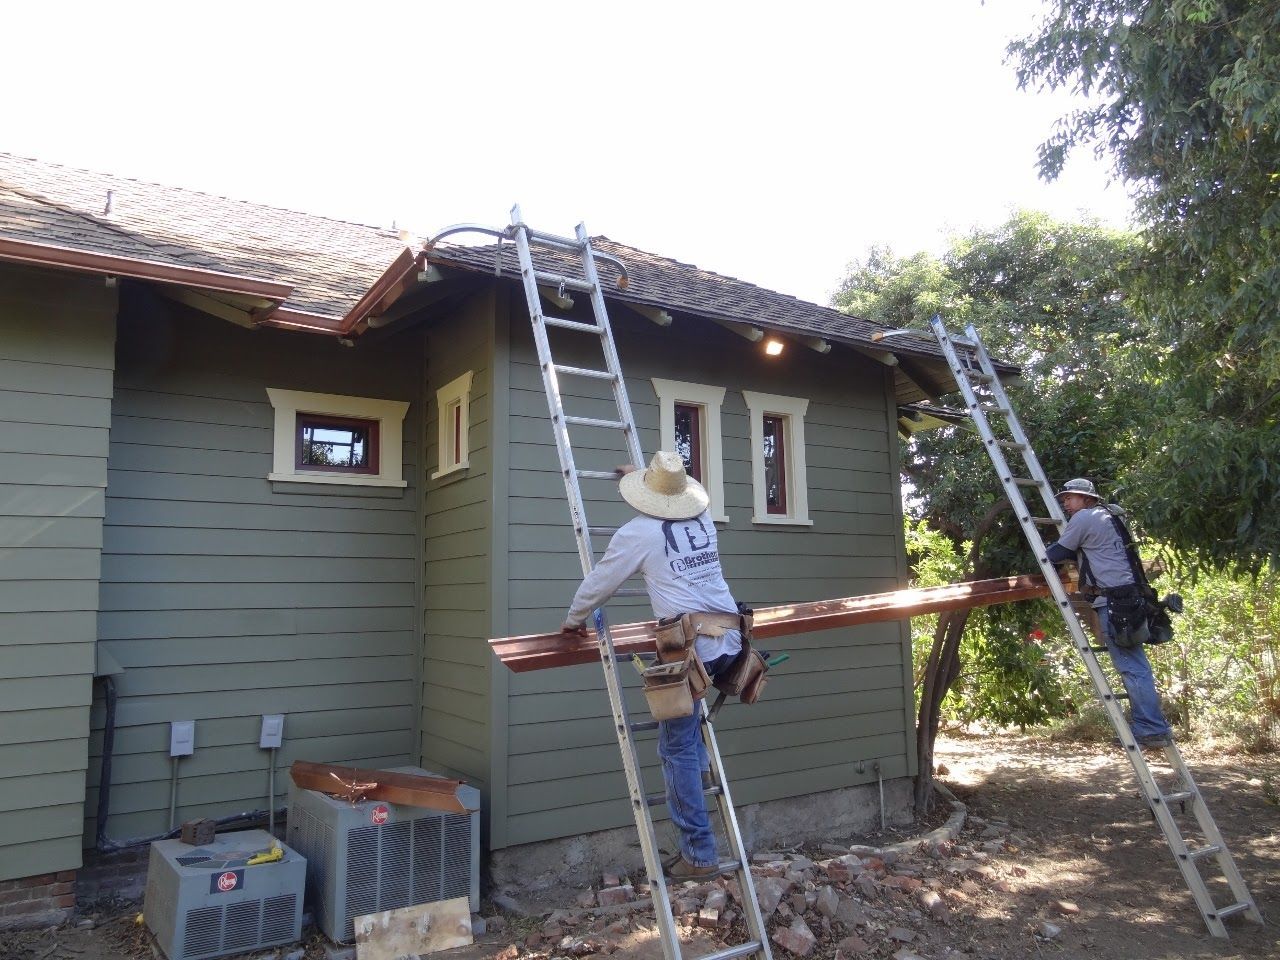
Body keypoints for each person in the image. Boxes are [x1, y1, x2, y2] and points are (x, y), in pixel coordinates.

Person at [561, 451, 742, 879]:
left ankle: (698, 854)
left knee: (675, 748)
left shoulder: (637, 534)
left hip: (691, 650)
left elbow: (600, 583)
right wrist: (641, 476)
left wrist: (572, 622)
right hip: (731, 639)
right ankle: (700, 836)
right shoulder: (702, 520)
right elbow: (676, 496)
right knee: (691, 734)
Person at [1045, 478, 1174, 747]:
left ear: (1087, 499)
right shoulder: (1112, 515)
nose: (1065, 504)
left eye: (1071, 498)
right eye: (1064, 499)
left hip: (1114, 601)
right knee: (1136, 665)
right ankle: (1150, 725)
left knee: (1132, 666)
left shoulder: (1084, 519)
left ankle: (1150, 729)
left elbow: (1056, 553)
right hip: (1133, 596)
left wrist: (1052, 553)